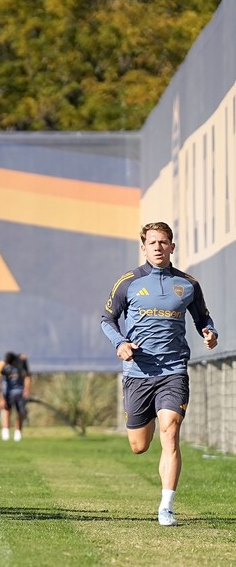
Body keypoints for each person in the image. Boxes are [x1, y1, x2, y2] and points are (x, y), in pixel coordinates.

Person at [100, 221, 217, 526]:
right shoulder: (128, 282)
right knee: (139, 446)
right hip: (138, 372)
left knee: (171, 432)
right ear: (143, 247)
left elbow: (203, 318)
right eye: (152, 243)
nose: (158, 247)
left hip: (173, 370)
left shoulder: (188, 284)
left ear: (172, 247)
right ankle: (147, 418)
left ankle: (166, 507)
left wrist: (209, 332)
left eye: (163, 242)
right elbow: (107, 319)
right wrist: (120, 343)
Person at [0, 352, 30, 441]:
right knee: (7, 412)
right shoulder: (3, 366)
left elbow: (27, 375)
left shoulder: (21, 364)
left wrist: (26, 389)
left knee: (20, 412)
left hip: (19, 392)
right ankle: (5, 433)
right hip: (7, 393)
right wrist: (1, 398)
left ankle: (18, 433)